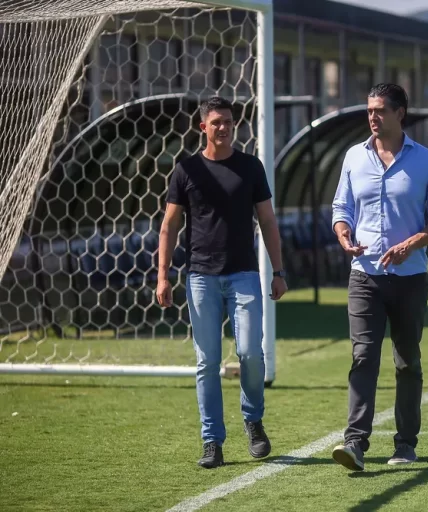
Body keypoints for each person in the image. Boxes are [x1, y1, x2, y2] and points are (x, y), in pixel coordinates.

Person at [156, 96, 287, 469]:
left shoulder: (250, 167)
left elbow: (268, 222)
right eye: (216, 122)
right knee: (207, 361)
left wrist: (279, 272)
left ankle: (253, 420)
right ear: (203, 127)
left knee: (250, 352)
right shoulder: (186, 170)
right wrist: (163, 275)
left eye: (228, 121)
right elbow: (169, 226)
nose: (224, 127)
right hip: (200, 278)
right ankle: (212, 441)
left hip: (244, 274)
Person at [330, 83, 428, 471]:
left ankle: (405, 444)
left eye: (380, 110)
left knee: (406, 362)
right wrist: (343, 233)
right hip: (363, 277)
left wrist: (412, 244)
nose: (373, 116)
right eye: (369, 110)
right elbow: (341, 207)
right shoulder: (353, 157)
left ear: (401, 113)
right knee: (363, 356)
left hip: (409, 278)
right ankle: (355, 443)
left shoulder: (427, 161)